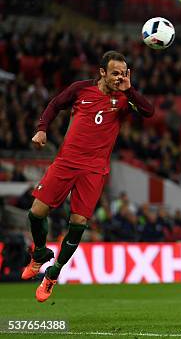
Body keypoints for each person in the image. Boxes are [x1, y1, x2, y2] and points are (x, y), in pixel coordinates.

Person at [22, 51, 154, 302]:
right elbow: (54, 104)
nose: (119, 77)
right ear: (102, 72)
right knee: (35, 213)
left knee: (78, 223)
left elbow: (149, 112)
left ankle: (53, 273)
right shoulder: (80, 90)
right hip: (66, 162)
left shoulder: (126, 98)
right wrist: (41, 130)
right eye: (114, 72)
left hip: (95, 169)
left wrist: (130, 89)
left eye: (123, 73)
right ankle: (39, 253)